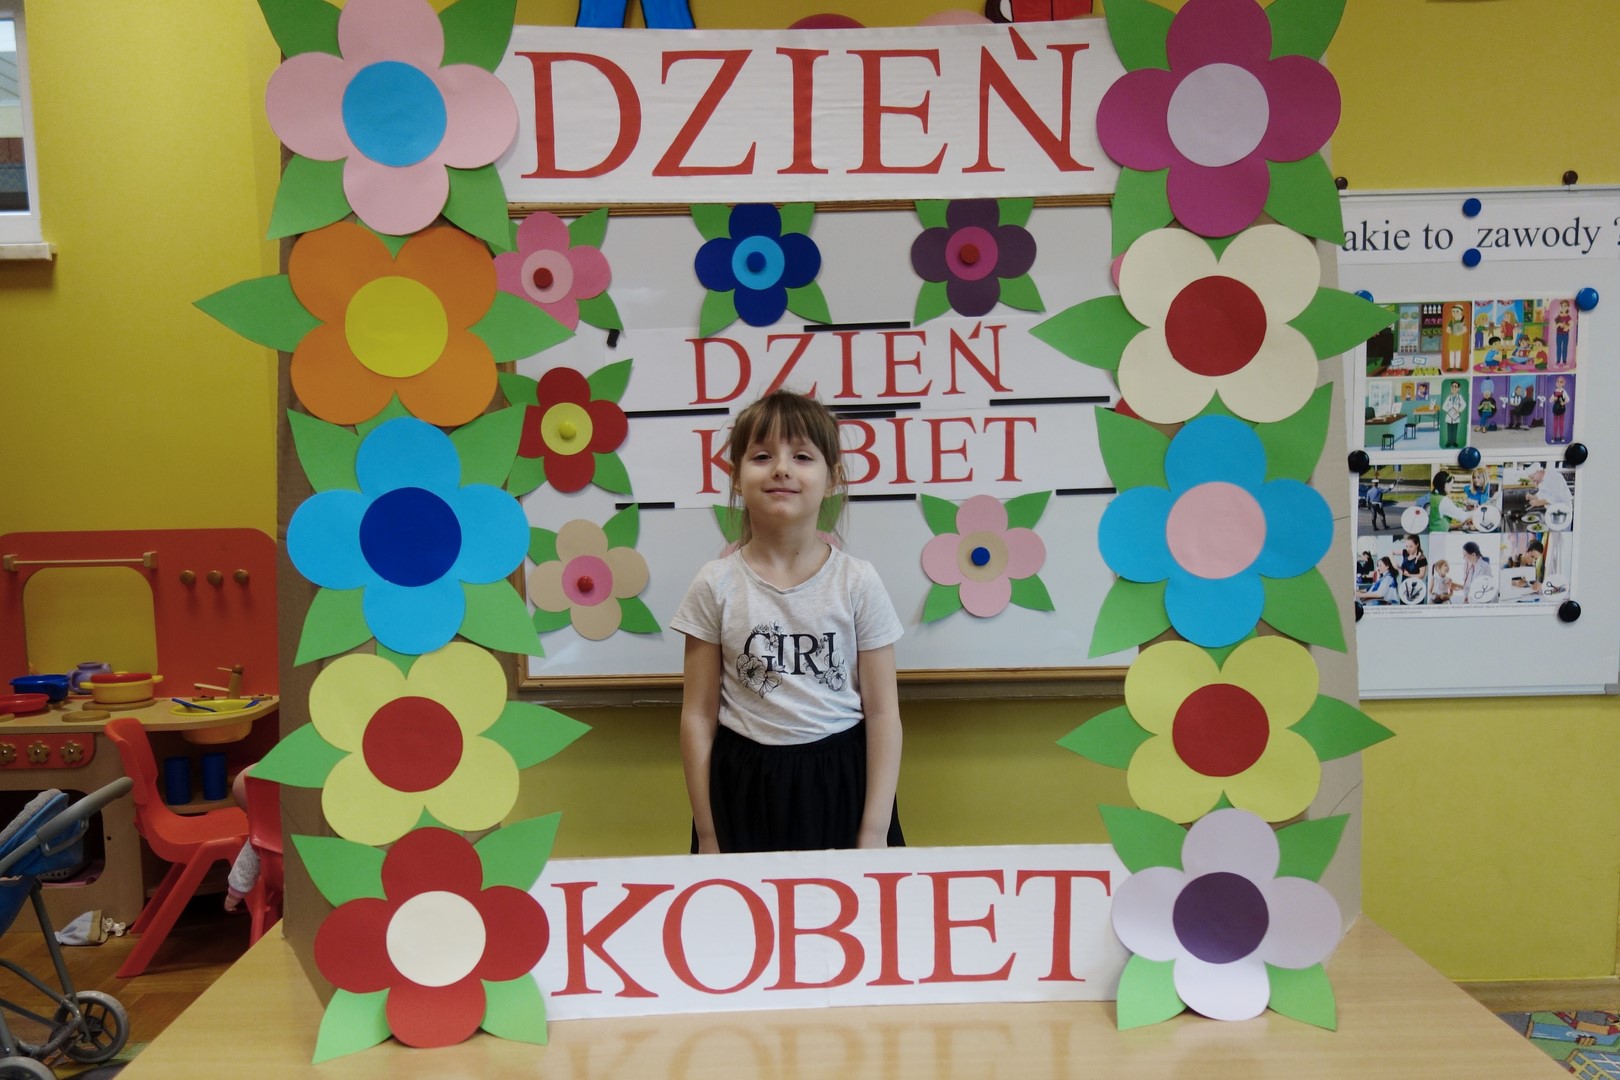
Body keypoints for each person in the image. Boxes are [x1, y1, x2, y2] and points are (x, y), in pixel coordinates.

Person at [673, 390, 904, 854]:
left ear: (832, 477)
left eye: (801, 456)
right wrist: (709, 832)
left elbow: (883, 714)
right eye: (762, 456)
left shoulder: (858, 581)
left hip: (841, 783)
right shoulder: (715, 584)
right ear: (736, 476)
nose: (781, 468)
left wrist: (874, 831)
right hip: (742, 786)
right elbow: (697, 716)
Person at [1440, 381, 1467, 449]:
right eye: (1452, 386)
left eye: (1455, 386)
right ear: (1451, 388)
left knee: (1454, 430)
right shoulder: (1449, 397)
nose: (1454, 388)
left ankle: (1454, 442)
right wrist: (1449, 410)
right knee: (1449, 430)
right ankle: (1449, 442)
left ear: (1458, 388)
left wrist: (1459, 410)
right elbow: (1443, 406)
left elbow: (1464, 405)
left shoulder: (1459, 397)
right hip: (1449, 416)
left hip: (1455, 417)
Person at [1548, 376, 1570, 443]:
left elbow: (1568, 399)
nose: (1559, 383)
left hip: (1562, 409)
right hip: (1555, 409)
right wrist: (1553, 399)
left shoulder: (1564, 391)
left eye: (1561, 382)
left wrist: (1563, 402)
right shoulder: (1555, 391)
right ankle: (1554, 436)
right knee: (1555, 423)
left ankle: (1561, 436)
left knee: (1561, 423)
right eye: (1558, 381)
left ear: (1563, 383)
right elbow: (1550, 400)